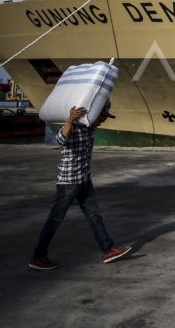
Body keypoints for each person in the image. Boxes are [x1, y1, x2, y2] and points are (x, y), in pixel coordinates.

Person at [29, 102, 132, 270]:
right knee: (55, 220)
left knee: (94, 215)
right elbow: (60, 140)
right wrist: (70, 120)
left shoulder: (89, 128)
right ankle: (38, 257)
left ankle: (107, 249)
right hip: (68, 182)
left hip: (84, 180)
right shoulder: (74, 127)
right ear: (95, 115)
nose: (103, 121)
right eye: (103, 117)